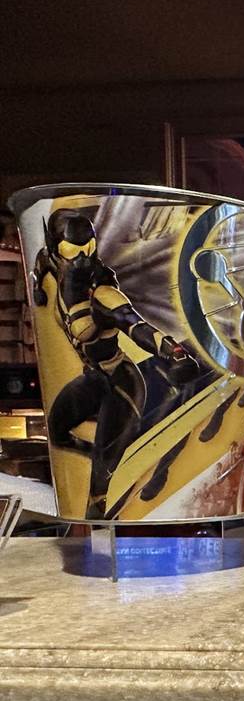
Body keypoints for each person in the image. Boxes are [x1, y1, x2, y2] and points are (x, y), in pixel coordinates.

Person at [32, 208, 199, 518]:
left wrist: (173, 352)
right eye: (73, 251)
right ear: (57, 249)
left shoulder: (103, 293)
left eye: (89, 250)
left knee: (99, 488)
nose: (83, 260)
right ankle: (107, 456)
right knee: (57, 431)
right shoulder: (54, 264)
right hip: (94, 378)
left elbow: (134, 324)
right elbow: (42, 262)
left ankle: (108, 485)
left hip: (120, 383)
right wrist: (38, 290)